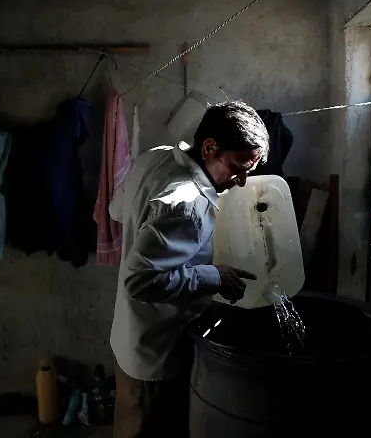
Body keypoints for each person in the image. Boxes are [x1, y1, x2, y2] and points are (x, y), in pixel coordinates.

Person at [108, 101, 270, 438]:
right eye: (238, 167)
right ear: (210, 147)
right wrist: (215, 276)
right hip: (157, 354)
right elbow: (139, 281)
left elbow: (116, 210)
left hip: (132, 338)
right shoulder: (188, 202)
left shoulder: (157, 157)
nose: (241, 181)